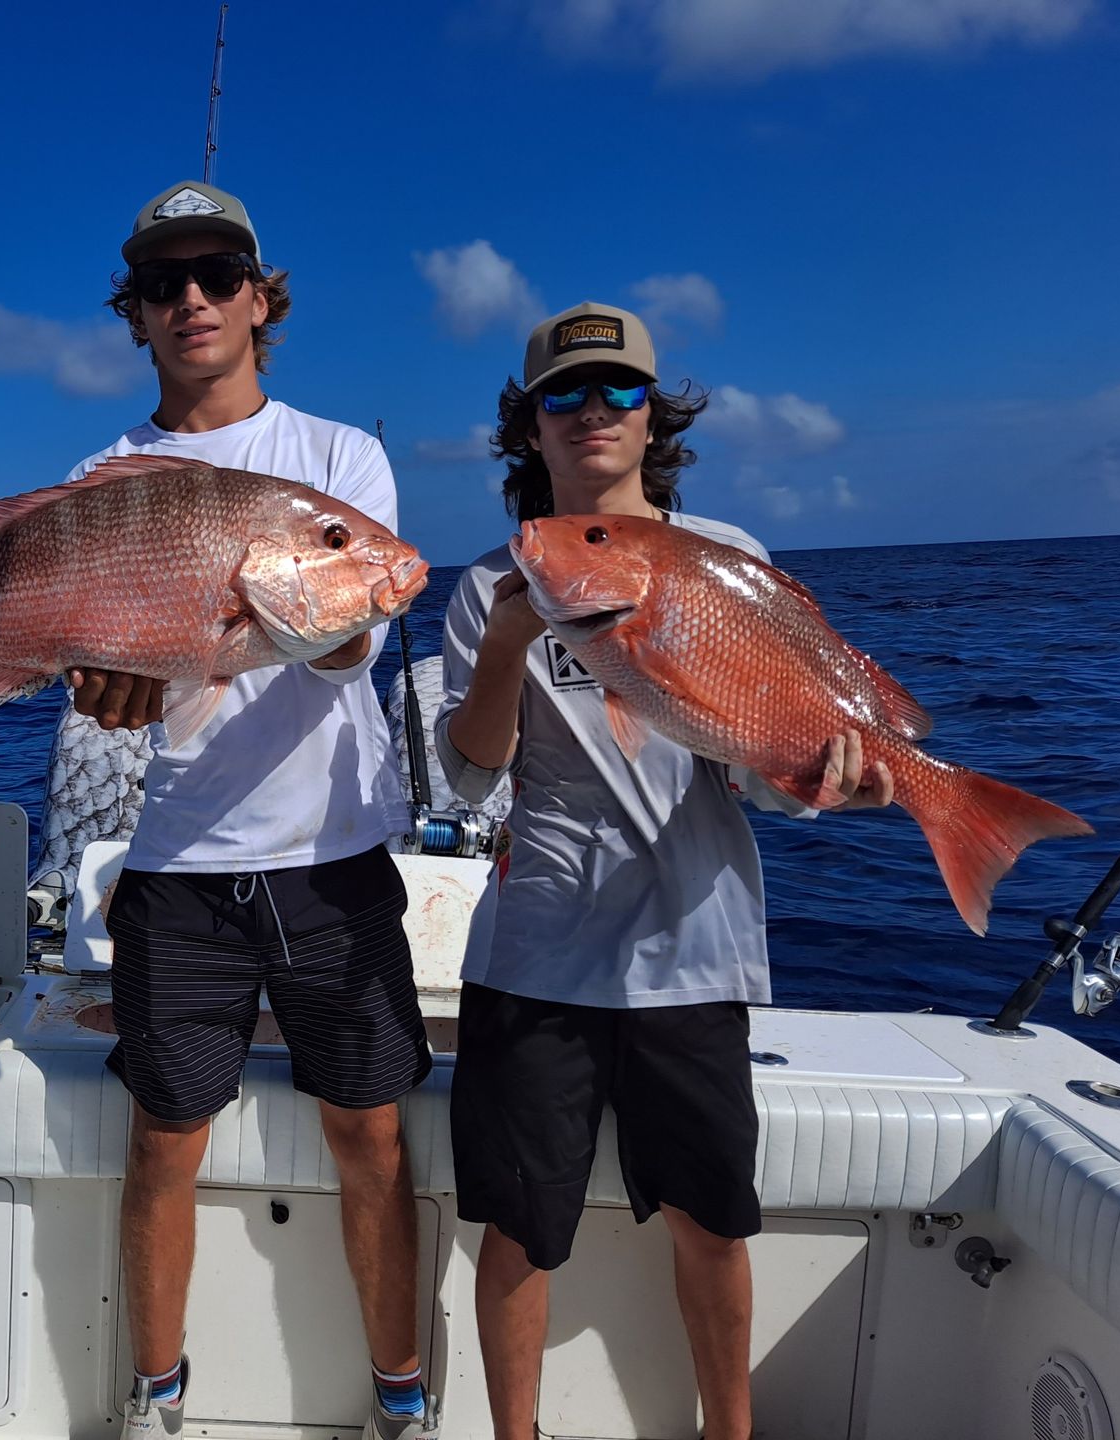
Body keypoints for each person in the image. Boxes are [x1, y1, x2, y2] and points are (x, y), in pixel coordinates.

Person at [434, 302, 894, 1440]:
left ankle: (727, 1432)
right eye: (564, 396)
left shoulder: (729, 560)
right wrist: (504, 645)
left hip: (696, 950)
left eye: (620, 392)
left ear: (653, 421)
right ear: (529, 428)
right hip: (537, 955)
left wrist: (839, 778)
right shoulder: (492, 583)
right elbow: (467, 780)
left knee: (713, 1222)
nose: (593, 411)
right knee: (521, 1228)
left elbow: (770, 769)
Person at [65, 180, 439, 1440]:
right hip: (177, 864)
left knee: (371, 1141)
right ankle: (156, 1397)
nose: (192, 301)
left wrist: (297, 620)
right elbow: (94, 667)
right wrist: (103, 680)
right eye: (164, 284)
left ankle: (402, 1397)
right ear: (136, 315)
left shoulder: (338, 458)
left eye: (218, 275)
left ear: (261, 299)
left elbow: (352, 643)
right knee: (167, 1140)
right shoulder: (106, 474)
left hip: (333, 861)